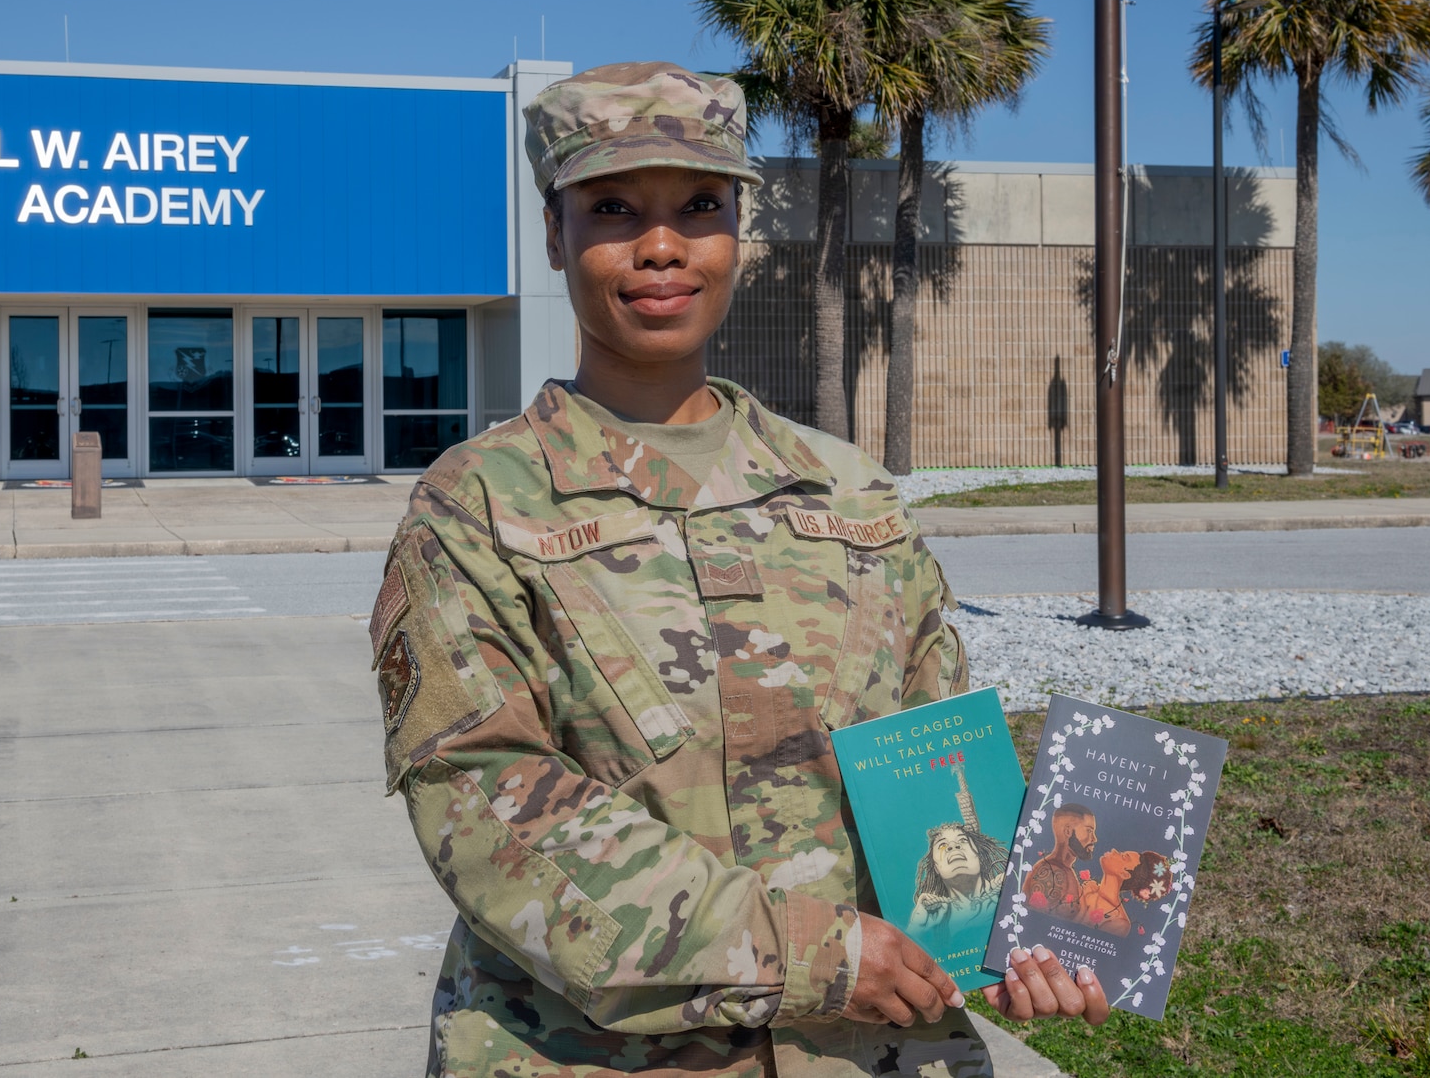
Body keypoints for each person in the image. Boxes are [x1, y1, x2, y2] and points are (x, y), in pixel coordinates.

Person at [369, 62, 1108, 1077]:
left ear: (737, 233)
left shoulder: (850, 496)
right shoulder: (480, 506)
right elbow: (480, 796)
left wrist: (1018, 929)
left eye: (700, 207)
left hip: (861, 1051)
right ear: (554, 234)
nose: (660, 246)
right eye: (613, 208)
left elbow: (934, 763)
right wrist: (807, 951)